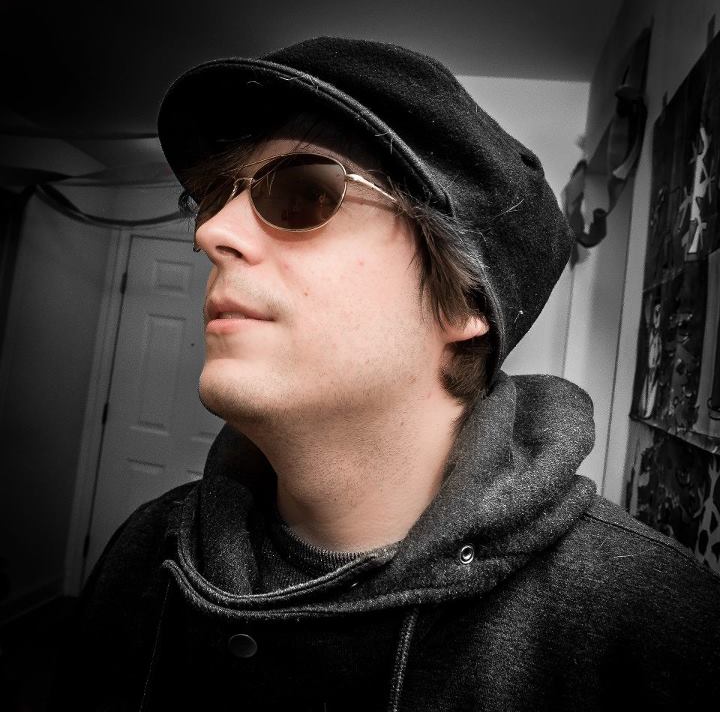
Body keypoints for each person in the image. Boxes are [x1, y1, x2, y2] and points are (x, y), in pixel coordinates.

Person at [51, 37, 720, 711]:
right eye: (215, 197)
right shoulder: (146, 554)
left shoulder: (652, 622)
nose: (212, 232)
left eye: (304, 191)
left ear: (463, 300)